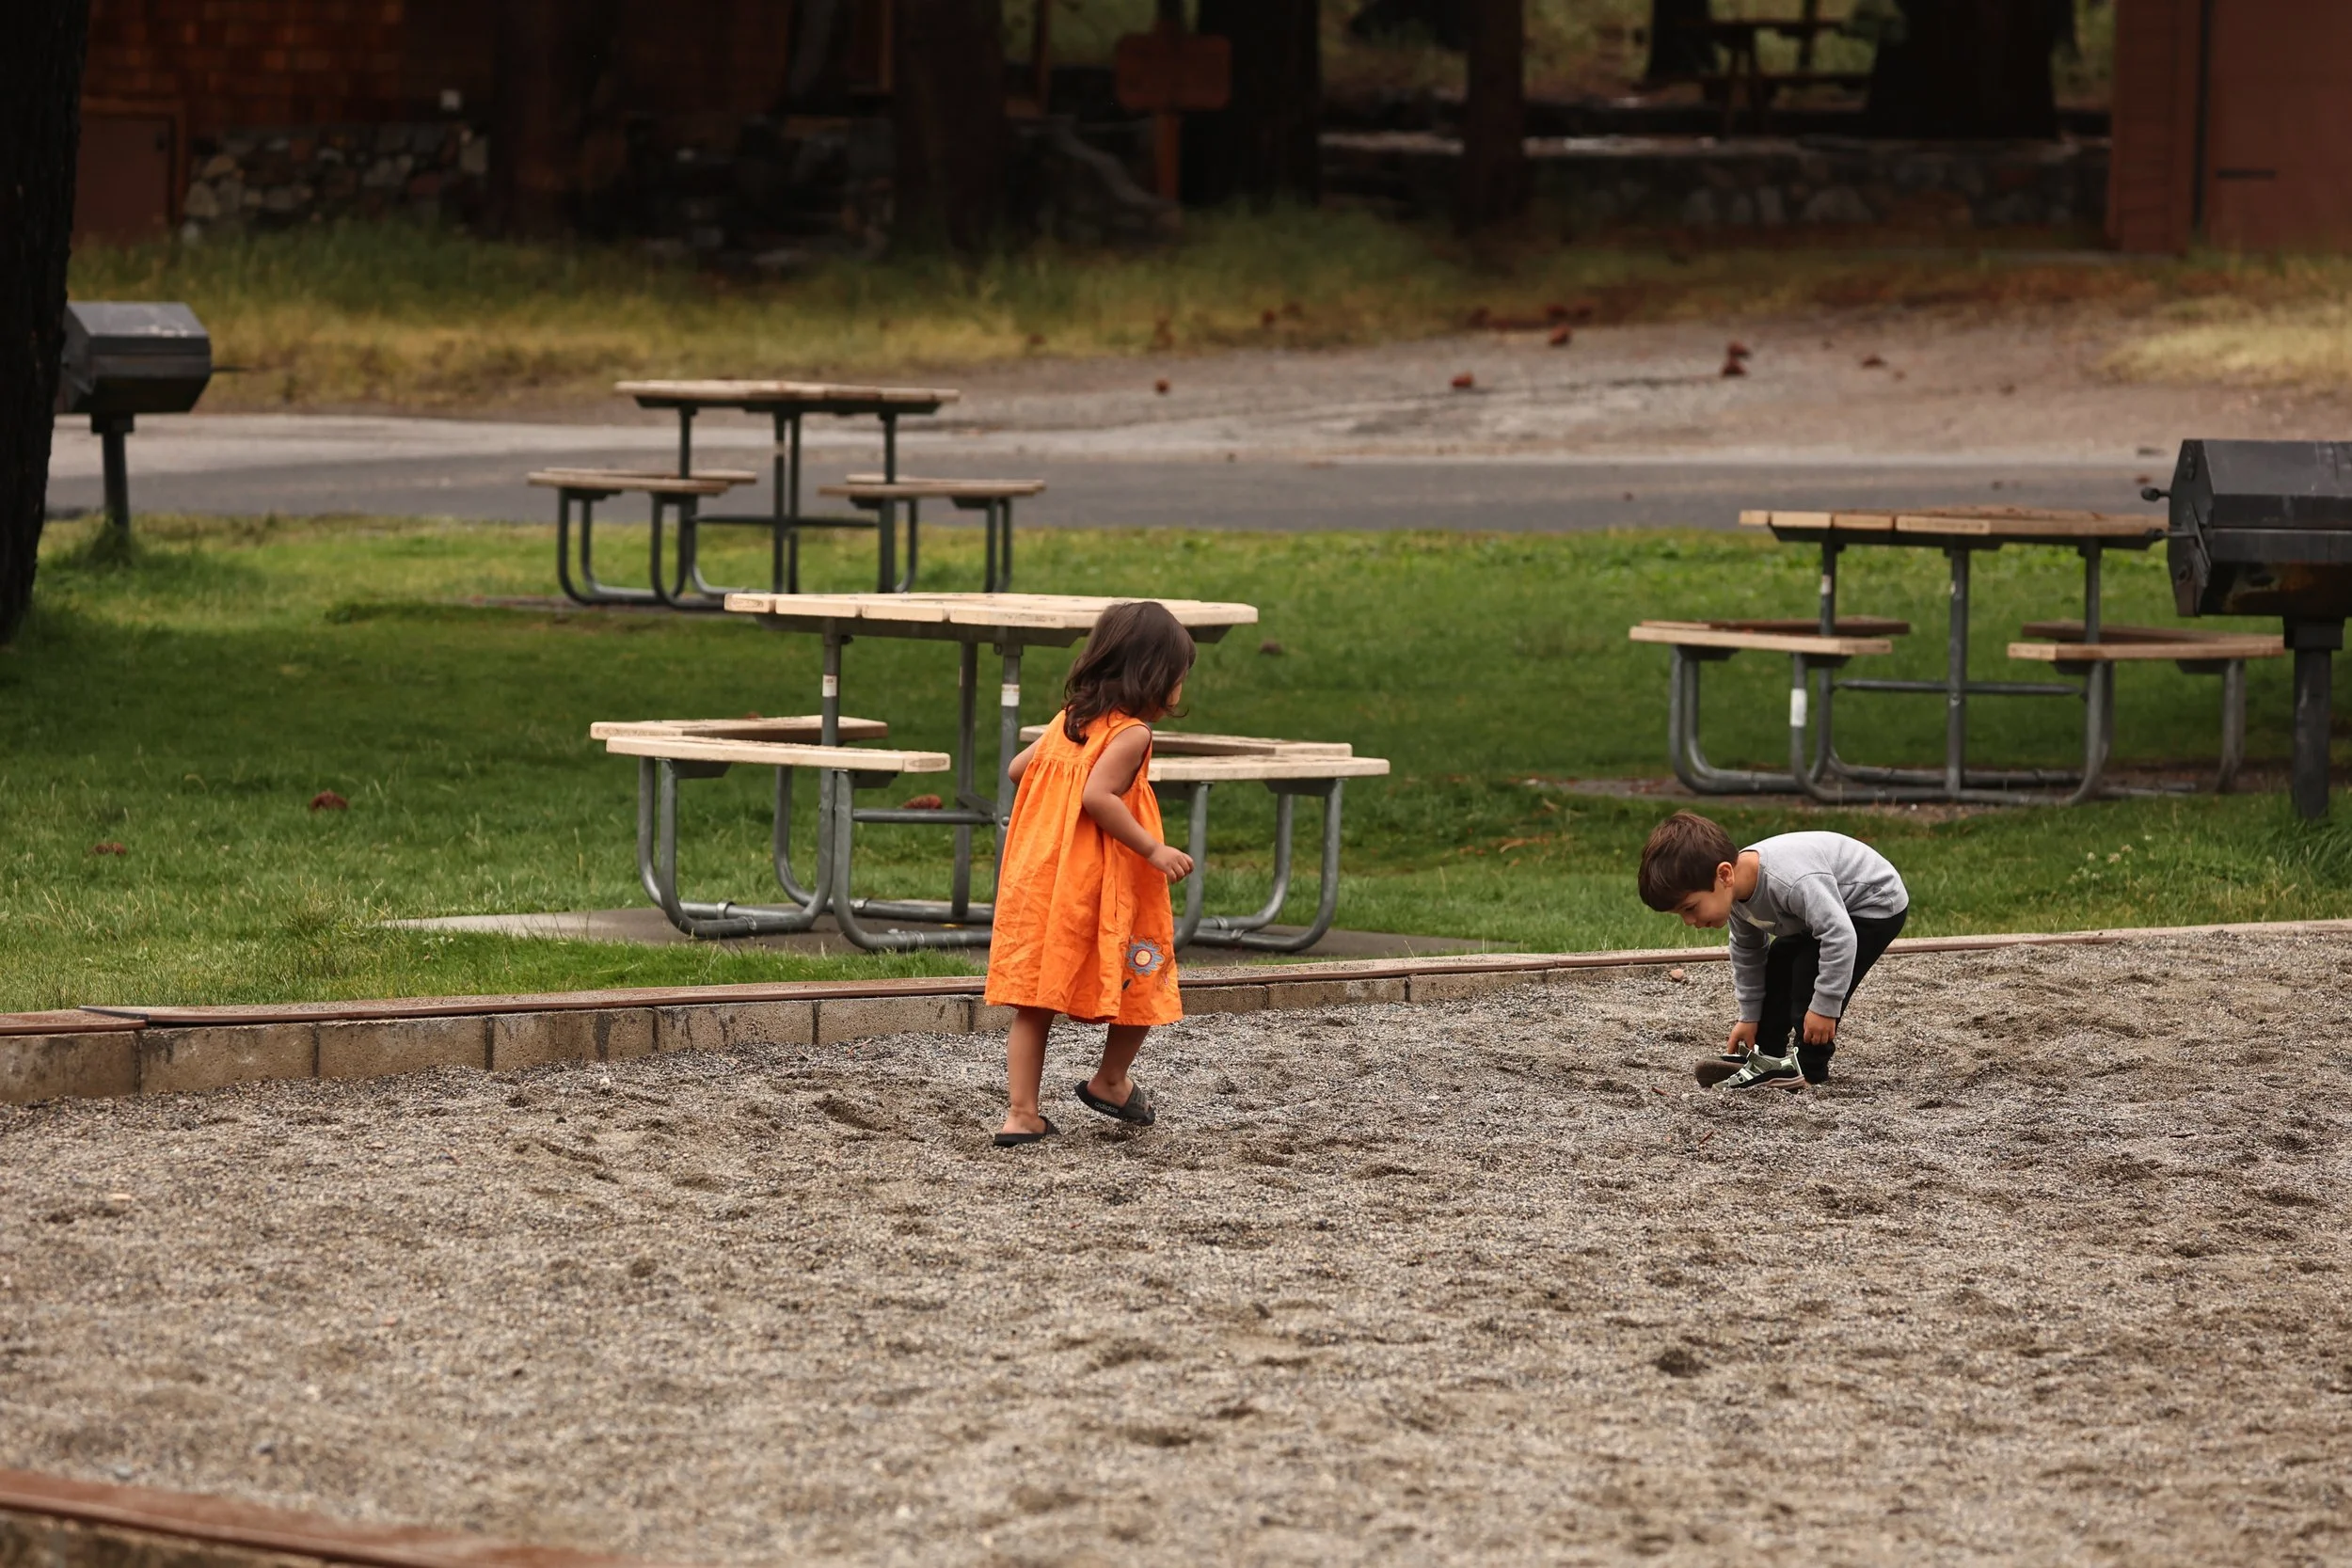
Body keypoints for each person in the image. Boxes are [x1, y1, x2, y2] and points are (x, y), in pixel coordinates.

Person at [984, 600, 1198, 1147]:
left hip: (1048, 878)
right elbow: (1098, 797)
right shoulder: (1132, 734)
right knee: (1143, 968)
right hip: (1106, 879)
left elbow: (1018, 769)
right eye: (1179, 674)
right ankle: (1110, 1079)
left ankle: (1021, 1115)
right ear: (1154, 674)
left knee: (1036, 1000)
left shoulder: (1070, 720)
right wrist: (1153, 848)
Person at [1637, 811, 1909, 1092]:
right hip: (1827, 913)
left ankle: (1809, 1069)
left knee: (1808, 971)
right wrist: (1749, 1017)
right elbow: (1748, 954)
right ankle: (1768, 1056)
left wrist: (1825, 1008)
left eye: (1691, 908)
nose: (1688, 921)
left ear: (1724, 875)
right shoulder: (1736, 893)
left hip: (1875, 904)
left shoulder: (1789, 881)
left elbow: (1839, 935)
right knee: (1779, 961)